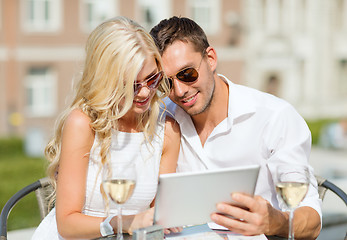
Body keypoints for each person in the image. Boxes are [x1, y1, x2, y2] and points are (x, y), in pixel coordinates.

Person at [150, 16, 321, 239]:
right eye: (167, 83)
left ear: (211, 59)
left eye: (187, 74)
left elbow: (312, 222)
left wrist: (274, 221)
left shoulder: (274, 117)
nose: (180, 91)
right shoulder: (160, 117)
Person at [32, 16, 180, 240]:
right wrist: (125, 223)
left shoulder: (166, 131)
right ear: (107, 82)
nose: (144, 93)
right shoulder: (83, 124)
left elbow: (158, 217)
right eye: (131, 84)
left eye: (152, 79)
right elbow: (67, 224)